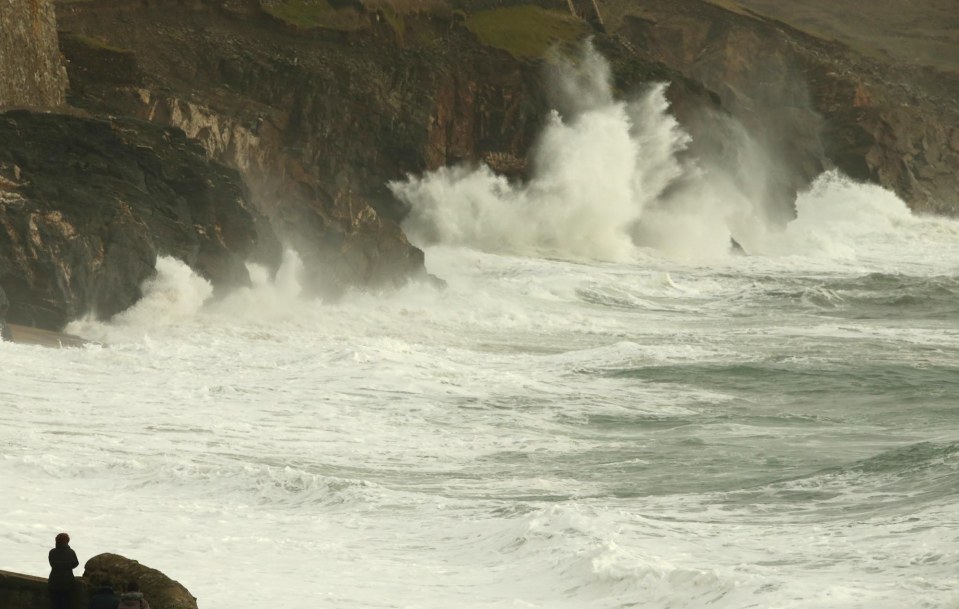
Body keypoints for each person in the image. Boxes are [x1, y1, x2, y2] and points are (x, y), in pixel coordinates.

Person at [48, 532, 79, 609]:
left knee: (55, 604)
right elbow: (76, 563)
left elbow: (52, 564)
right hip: (67, 581)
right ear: (67, 541)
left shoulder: (52, 552)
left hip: (54, 581)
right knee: (66, 603)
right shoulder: (71, 552)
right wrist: (68, 567)